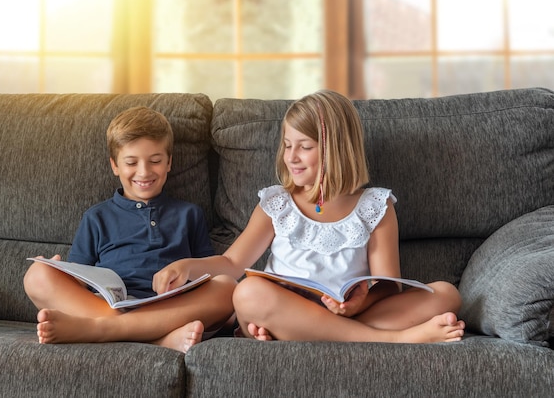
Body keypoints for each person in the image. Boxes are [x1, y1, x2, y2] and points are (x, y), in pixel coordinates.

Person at [154, 89, 465, 343]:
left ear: (337, 151)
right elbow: (233, 263)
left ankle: (309, 334)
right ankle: (397, 339)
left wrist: (357, 303)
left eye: (304, 147)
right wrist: (187, 266)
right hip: (284, 308)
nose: (291, 157)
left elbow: (388, 286)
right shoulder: (277, 202)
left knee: (445, 294)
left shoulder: (376, 207)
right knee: (248, 293)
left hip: (348, 314)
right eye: (287, 145)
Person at [23, 107, 236, 352]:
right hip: (110, 306)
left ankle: (100, 330)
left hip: (170, 309)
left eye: (155, 161)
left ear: (169, 162)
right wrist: (57, 269)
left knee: (227, 286)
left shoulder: (189, 214)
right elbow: (80, 282)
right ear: (115, 165)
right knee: (36, 275)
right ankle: (159, 340)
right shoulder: (97, 217)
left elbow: (206, 274)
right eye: (131, 162)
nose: (144, 172)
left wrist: (186, 273)